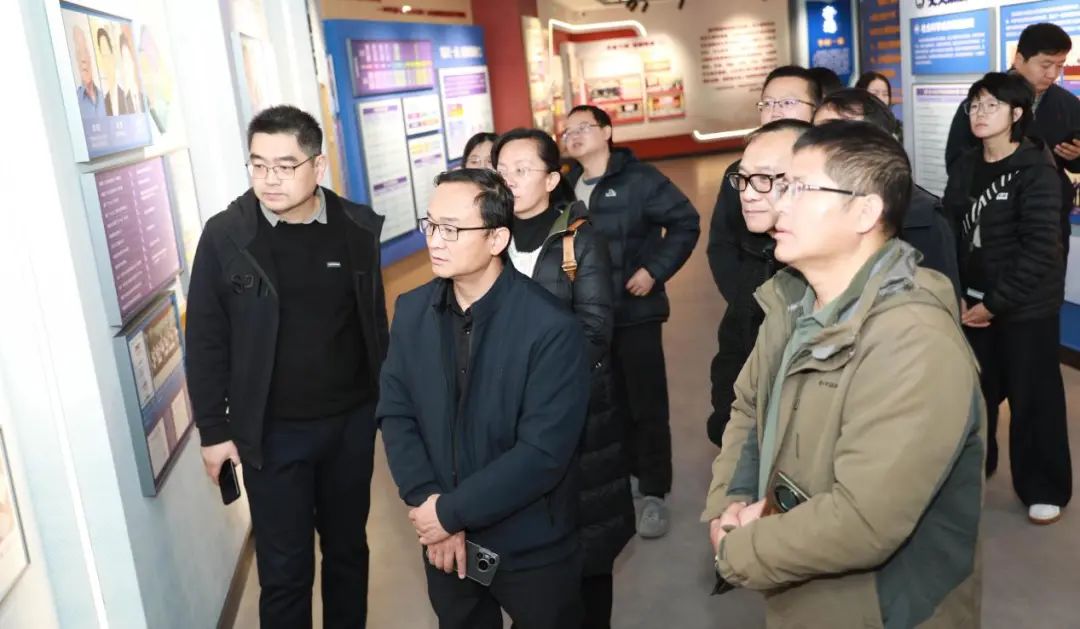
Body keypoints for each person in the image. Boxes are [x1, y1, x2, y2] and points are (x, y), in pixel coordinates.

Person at [703, 120, 985, 626]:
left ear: (864, 211)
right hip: (800, 585)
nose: (778, 204)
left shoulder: (912, 341)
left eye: (799, 189)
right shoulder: (791, 302)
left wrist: (742, 548)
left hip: (881, 609)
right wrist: (732, 501)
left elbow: (864, 521)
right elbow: (748, 409)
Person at [186, 105, 388, 629]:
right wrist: (213, 430)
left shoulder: (357, 227)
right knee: (284, 571)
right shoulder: (227, 236)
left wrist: (388, 407)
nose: (269, 179)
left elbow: (373, 324)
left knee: (347, 551)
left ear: (317, 166)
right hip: (271, 434)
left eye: (284, 166)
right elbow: (205, 339)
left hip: (350, 424)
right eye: (258, 165)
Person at [378, 168, 590, 629]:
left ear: (497, 239)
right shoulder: (412, 311)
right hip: (443, 540)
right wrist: (431, 508)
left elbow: (542, 453)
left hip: (530, 543)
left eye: (452, 229)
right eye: (431, 224)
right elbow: (396, 413)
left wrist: (450, 513)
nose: (435, 240)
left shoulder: (550, 327)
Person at [492, 128, 634, 629]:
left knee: (588, 542)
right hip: (504, 422)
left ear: (552, 179)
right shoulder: (488, 239)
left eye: (522, 170)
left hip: (576, 413)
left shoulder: (580, 237)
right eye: (501, 172)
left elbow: (594, 331)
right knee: (526, 548)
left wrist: (532, 386)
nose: (509, 181)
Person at [563, 104, 701, 539]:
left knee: (646, 404)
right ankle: (622, 481)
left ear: (607, 132)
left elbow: (685, 222)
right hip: (587, 320)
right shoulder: (564, 186)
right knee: (608, 404)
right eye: (567, 131)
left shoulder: (639, 179)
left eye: (583, 127)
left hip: (635, 312)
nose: (573, 136)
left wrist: (654, 271)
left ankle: (655, 491)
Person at [943, 72, 1070, 525]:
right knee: (973, 395)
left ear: (1016, 114)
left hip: (1025, 307)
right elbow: (950, 232)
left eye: (991, 105)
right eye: (974, 105)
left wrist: (995, 304)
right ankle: (975, 472)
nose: (979, 113)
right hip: (971, 303)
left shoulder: (1037, 170)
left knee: (1033, 397)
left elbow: (1041, 249)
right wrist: (957, 293)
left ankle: (1043, 486)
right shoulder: (965, 165)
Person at [705, 65, 821, 446]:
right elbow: (720, 245)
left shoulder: (832, 271)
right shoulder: (759, 270)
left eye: (786, 102)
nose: (749, 193)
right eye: (766, 103)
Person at [813, 88, 961, 297]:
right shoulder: (810, 206)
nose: (823, 145)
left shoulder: (922, 217)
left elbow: (939, 302)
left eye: (840, 133)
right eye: (817, 133)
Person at [946, 22, 1080, 251]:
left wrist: (1076, 156)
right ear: (1019, 59)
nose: (1053, 74)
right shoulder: (984, 102)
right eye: (1046, 65)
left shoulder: (1068, 104)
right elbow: (957, 161)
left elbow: (1074, 163)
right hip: (988, 225)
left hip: (1048, 222)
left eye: (1060, 66)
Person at [71, 25, 104, 120]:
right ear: (76, 60)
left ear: (90, 57)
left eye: (85, 51)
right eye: (79, 53)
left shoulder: (105, 98)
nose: (83, 59)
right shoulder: (74, 102)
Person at [94, 27, 119, 116]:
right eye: (103, 56)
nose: (106, 62)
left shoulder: (126, 97)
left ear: (113, 56)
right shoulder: (104, 103)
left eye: (107, 55)